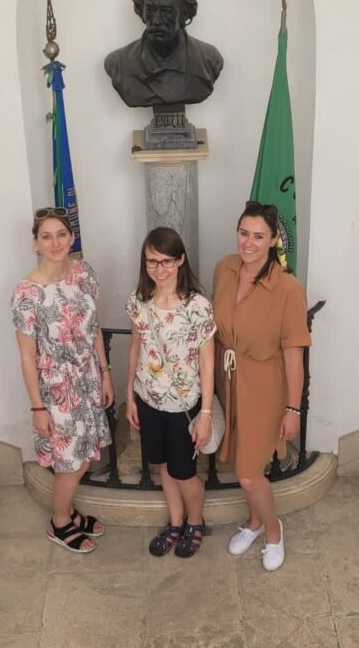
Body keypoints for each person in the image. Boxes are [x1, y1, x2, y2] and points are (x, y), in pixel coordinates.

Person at [212, 202, 311, 571]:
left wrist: (293, 408)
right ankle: (253, 522)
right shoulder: (224, 268)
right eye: (243, 233)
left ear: (272, 241)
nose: (248, 243)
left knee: (249, 473)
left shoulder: (287, 288)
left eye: (258, 236)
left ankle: (272, 529)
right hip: (228, 379)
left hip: (264, 386)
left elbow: (292, 356)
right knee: (241, 460)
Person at [11, 207, 114, 554]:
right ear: (35, 243)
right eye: (46, 236)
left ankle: (67, 511)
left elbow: (94, 327)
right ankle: (59, 523)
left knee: (86, 452)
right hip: (56, 391)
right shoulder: (27, 294)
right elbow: (27, 356)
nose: (55, 243)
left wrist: (105, 373)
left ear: (71, 238)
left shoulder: (83, 273)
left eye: (61, 235)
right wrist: (37, 407)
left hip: (87, 379)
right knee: (71, 461)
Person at [125, 227, 216, 557]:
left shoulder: (198, 307)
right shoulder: (139, 301)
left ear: (181, 260)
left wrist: (205, 414)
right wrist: (129, 397)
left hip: (184, 406)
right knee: (162, 465)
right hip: (148, 401)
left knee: (185, 472)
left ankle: (195, 521)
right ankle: (175, 523)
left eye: (166, 261)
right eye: (152, 261)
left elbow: (208, 363)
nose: (159, 269)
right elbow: (135, 348)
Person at [104, 0, 224, 108]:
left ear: (184, 13)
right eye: (150, 10)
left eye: (167, 11)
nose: (156, 21)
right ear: (140, 10)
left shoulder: (209, 60)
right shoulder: (119, 63)